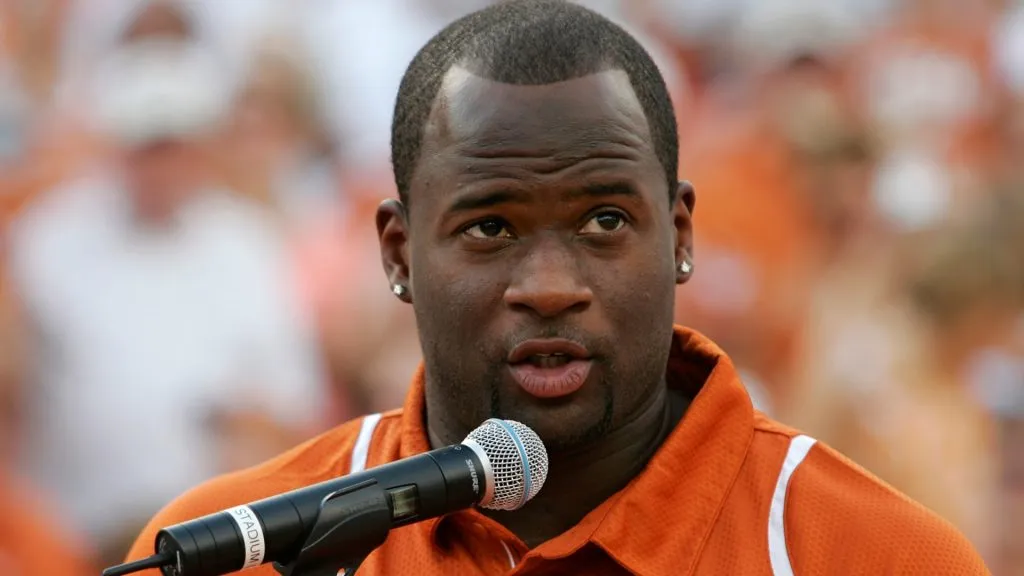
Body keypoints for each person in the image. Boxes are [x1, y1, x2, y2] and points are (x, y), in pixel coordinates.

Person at [125, 2, 989, 574]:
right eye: (489, 227)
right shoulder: (230, 543)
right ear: (397, 254)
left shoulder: (878, 553)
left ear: (681, 234)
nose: (548, 286)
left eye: (605, 222)